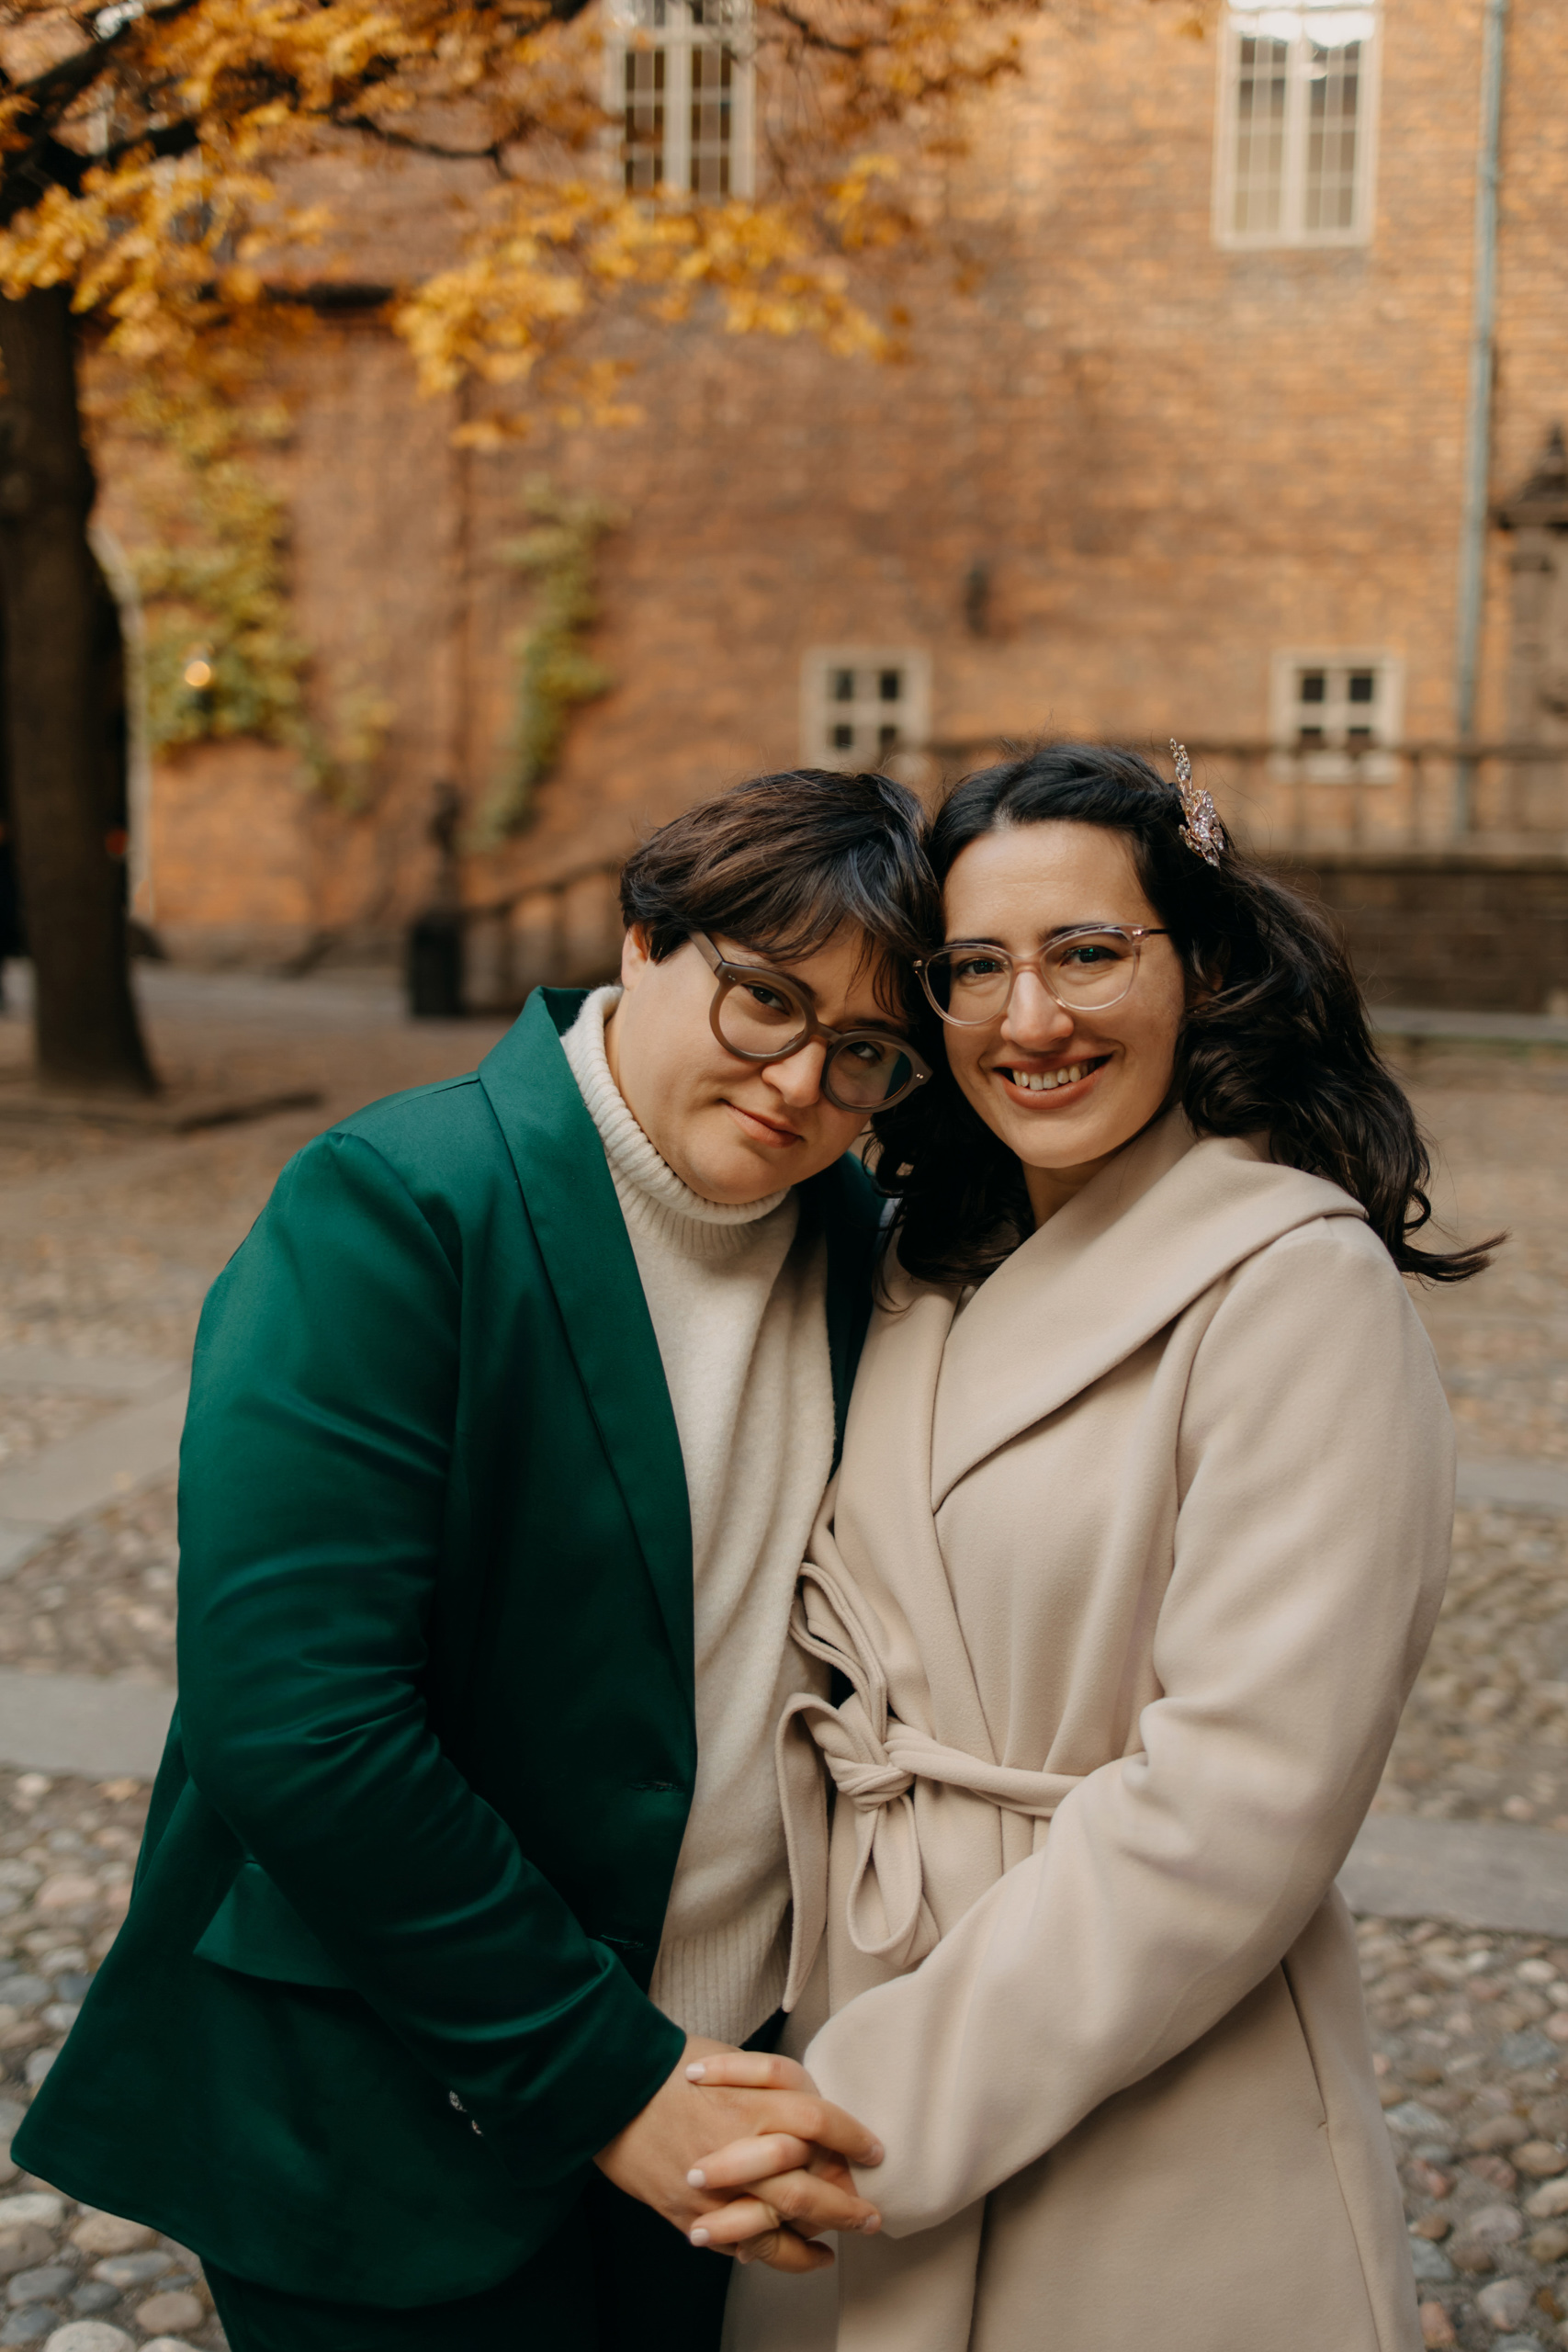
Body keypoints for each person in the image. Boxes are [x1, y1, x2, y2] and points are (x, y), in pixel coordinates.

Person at [15, 768, 939, 2351]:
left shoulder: (858, 1240)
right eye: (766, 1000)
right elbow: (297, 1723)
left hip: (734, 2085)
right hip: (390, 2103)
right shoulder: (399, 1203)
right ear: (644, 941)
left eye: (863, 1053)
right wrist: (611, 2078)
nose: (800, 1079)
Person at [703, 742, 1488, 2351]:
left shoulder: (1297, 1287)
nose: (1030, 1019)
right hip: (852, 1984)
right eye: (976, 968)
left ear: (1201, 967)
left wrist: (872, 2103)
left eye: (1086, 953)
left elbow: (1242, 1798)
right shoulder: (918, 1258)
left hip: (1132, 2058)